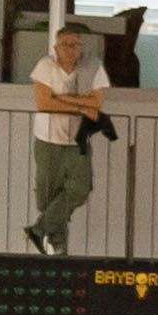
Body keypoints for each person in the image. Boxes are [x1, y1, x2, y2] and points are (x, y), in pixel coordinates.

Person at [21, 18, 109, 256]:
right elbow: (43, 102)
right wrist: (81, 106)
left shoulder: (93, 66)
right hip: (48, 138)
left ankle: (39, 230)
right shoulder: (45, 66)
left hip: (78, 139)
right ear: (56, 48)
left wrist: (62, 100)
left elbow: (98, 102)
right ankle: (57, 246)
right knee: (48, 193)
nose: (70, 49)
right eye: (65, 44)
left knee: (80, 187)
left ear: (81, 47)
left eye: (75, 44)